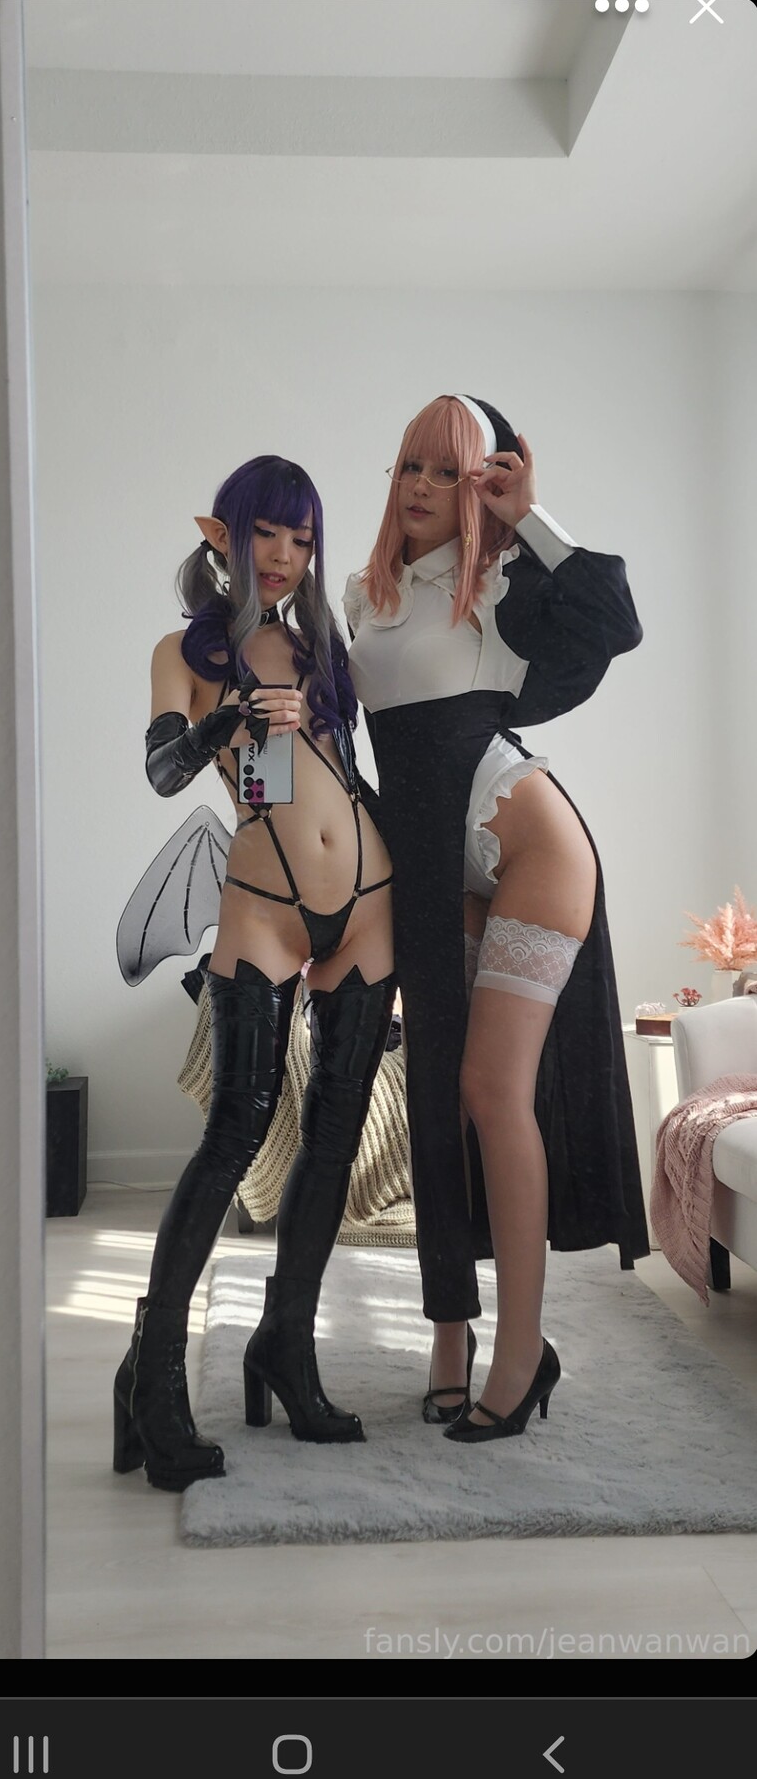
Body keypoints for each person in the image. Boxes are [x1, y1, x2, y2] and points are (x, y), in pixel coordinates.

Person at [343, 395, 649, 1443]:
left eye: (448, 471)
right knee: (438, 1090)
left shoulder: (503, 584)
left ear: (481, 487)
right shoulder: (364, 598)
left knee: (489, 1088)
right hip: (432, 864)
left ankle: (524, 1352)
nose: (422, 487)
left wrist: (529, 517)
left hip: (527, 844)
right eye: (410, 467)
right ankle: (449, 1336)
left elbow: (614, 620)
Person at [113, 455, 396, 1491]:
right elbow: (162, 772)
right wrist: (230, 720)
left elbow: (348, 772)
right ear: (220, 535)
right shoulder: (184, 653)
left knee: (336, 1134)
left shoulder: (320, 646)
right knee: (236, 1129)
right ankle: (152, 1375)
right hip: (263, 904)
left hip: (370, 901)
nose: (283, 555)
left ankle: (287, 1344)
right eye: (266, 533)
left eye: (301, 538)